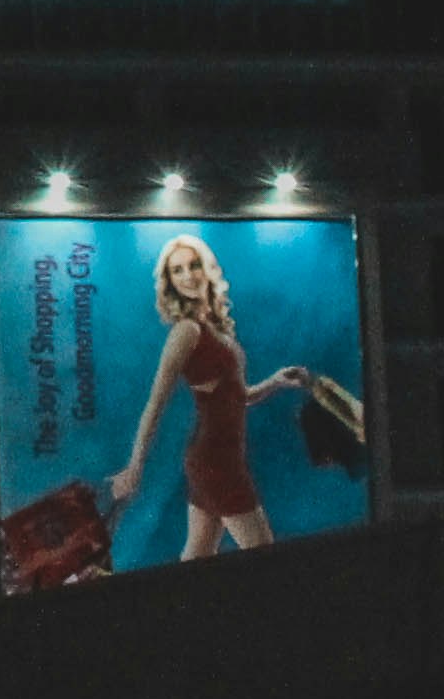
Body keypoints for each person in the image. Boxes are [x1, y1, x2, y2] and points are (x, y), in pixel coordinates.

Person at [102, 235, 318, 558]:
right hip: (215, 462)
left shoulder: (216, 330)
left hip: (220, 458)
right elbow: (155, 404)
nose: (188, 275)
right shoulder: (186, 332)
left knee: (196, 558)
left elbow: (235, 397)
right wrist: (135, 467)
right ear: (170, 282)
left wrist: (275, 381)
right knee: (263, 554)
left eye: (193, 265)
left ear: (207, 269)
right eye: (177, 271)